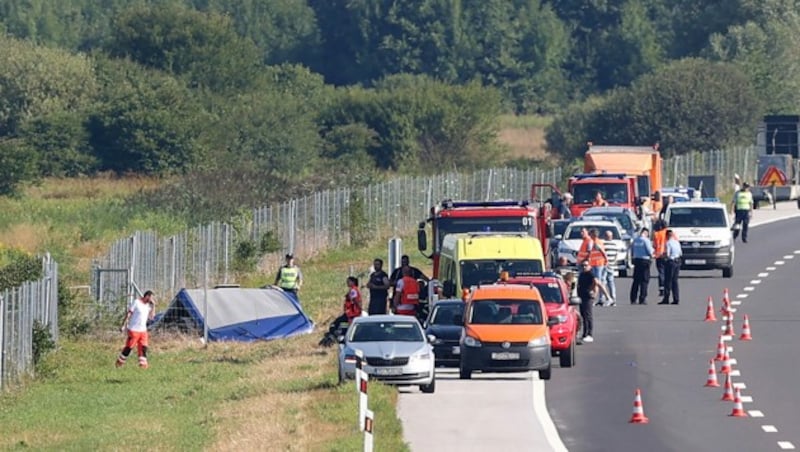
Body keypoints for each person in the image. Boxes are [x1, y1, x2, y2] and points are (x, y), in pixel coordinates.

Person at [116, 290, 156, 369]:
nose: (152, 300)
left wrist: (154, 305)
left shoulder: (148, 306)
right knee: (129, 347)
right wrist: (124, 325)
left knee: (143, 347)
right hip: (134, 330)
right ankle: (119, 362)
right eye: (151, 297)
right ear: (147, 296)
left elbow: (152, 317)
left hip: (143, 330)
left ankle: (143, 365)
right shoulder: (136, 302)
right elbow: (129, 313)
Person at [577, 260, 601, 343]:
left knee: (588, 315)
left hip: (587, 297)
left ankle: (589, 334)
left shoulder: (590, 274)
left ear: (590, 266)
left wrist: (593, 292)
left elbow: (596, 283)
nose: (584, 267)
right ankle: (584, 333)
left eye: (586, 265)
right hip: (581, 297)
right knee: (583, 315)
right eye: (583, 265)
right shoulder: (582, 274)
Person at [629, 228, 654, 305]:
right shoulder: (646, 240)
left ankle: (633, 299)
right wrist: (652, 255)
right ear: (646, 233)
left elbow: (632, 250)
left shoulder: (635, 240)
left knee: (636, 280)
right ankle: (642, 298)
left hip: (637, 260)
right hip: (644, 261)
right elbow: (650, 251)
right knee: (644, 280)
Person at [659, 229, 682, 305]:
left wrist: (662, 256)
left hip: (671, 262)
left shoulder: (668, 243)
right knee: (675, 281)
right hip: (677, 261)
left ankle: (666, 298)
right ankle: (676, 298)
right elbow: (680, 253)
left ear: (667, 236)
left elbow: (668, 254)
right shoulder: (677, 242)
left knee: (668, 281)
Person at [598, 230, 618, 306]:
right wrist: (613, 263)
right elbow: (616, 256)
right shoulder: (614, 245)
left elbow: (601, 254)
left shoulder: (603, 244)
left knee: (602, 282)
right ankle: (613, 298)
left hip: (604, 265)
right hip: (611, 265)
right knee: (611, 282)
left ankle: (602, 298)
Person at [652, 220, 668, 296]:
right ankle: (667, 288)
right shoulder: (668, 233)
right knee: (667, 272)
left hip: (659, 255)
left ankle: (661, 288)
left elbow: (654, 245)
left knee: (661, 272)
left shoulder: (656, 234)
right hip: (667, 255)